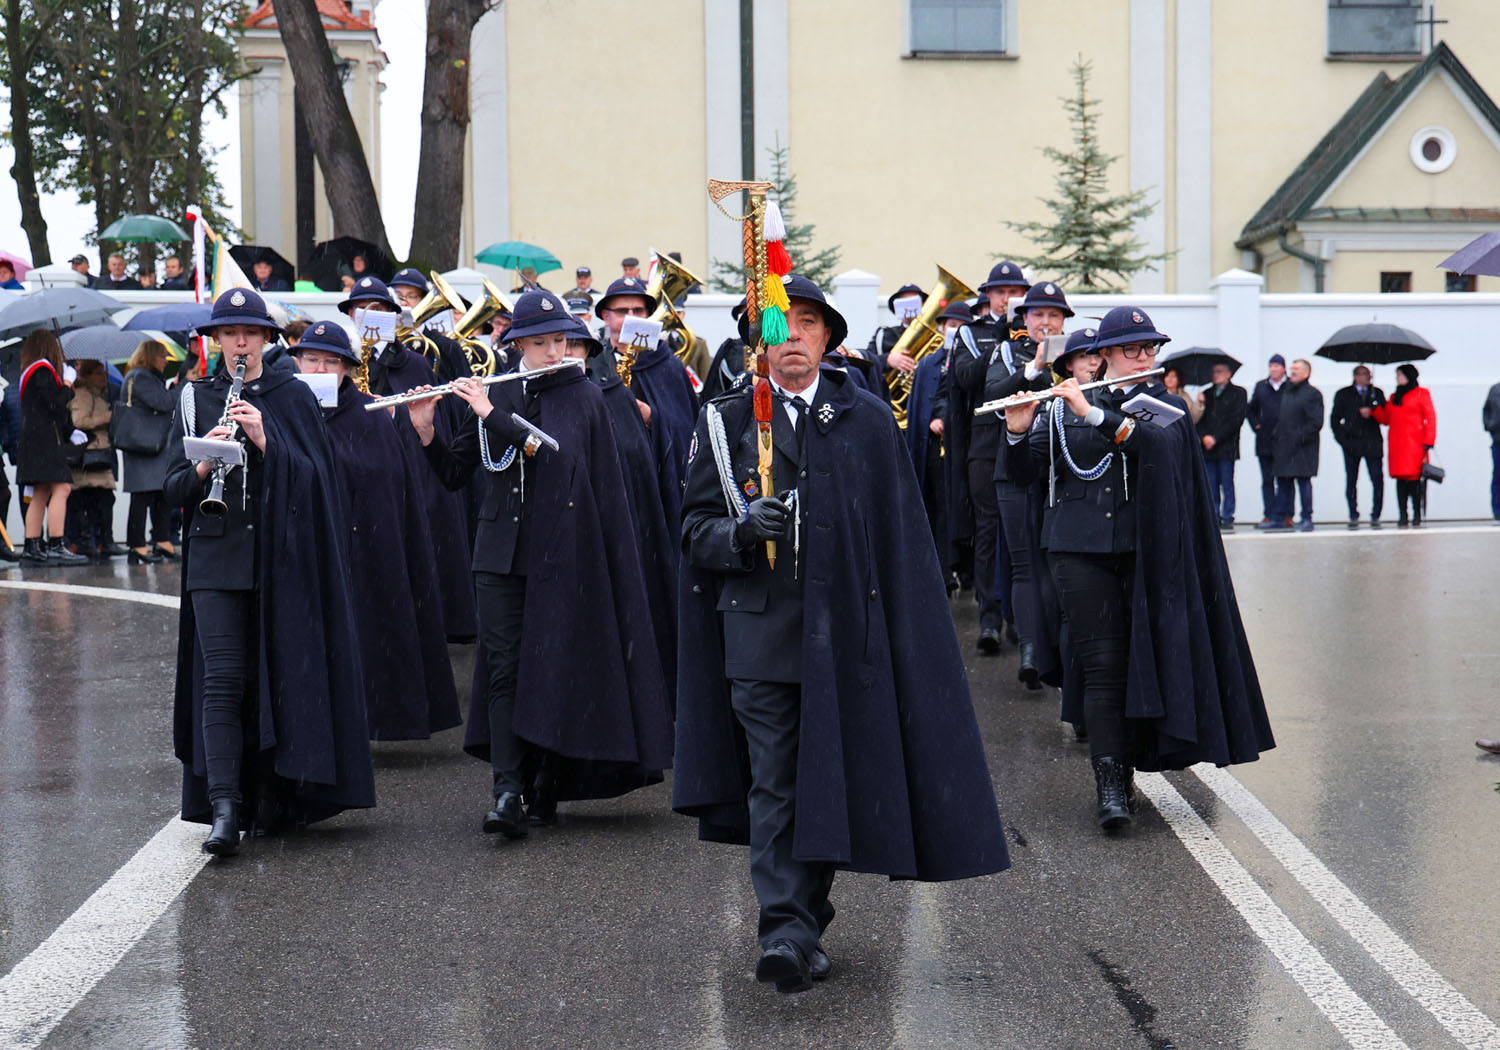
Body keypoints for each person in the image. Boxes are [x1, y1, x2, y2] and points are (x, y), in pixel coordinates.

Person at [674, 275, 1008, 993]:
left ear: (828, 336)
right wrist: (740, 532)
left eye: (807, 322)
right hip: (760, 634)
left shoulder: (865, 419)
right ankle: (783, 929)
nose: (792, 335)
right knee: (775, 781)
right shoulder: (724, 420)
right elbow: (693, 530)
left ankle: (806, 917)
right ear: (757, 339)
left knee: (827, 776)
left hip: (847, 632)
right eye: (778, 323)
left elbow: (897, 535)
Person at [407, 289, 673, 835]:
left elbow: (556, 456)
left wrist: (489, 414)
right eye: (541, 343)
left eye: (560, 341)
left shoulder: (583, 395)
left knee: (552, 668)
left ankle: (546, 781)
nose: (554, 352)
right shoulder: (497, 391)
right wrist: (426, 430)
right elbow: (456, 474)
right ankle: (507, 790)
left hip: (561, 552)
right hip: (499, 554)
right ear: (518, 345)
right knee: (505, 669)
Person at [1004, 305, 1275, 830]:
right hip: (1077, 551)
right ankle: (1110, 784)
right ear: (1103, 354)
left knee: (1143, 662)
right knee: (1103, 668)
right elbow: (1025, 477)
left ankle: (1132, 763)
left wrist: (1095, 415)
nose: (1144, 357)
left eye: (1150, 348)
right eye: (1133, 349)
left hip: (1146, 551)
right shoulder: (1059, 410)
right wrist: (1017, 432)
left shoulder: (1165, 406)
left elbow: (1159, 447)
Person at [162, 288, 375, 855]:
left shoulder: (291, 394)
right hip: (215, 558)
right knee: (222, 679)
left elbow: (318, 479)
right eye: (230, 333)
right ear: (215, 340)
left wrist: (264, 440)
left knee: (277, 676)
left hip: (280, 558)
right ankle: (224, 806)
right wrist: (204, 462)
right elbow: (171, 489)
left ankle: (272, 796)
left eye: (250, 333)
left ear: (264, 339)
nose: (240, 342)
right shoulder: (193, 397)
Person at [291, 321, 461, 741]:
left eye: (331, 362)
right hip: (302, 548)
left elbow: (390, 484)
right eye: (311, 359)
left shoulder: (370, 414)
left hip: (361, 547)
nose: (319, 370)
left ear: (347, 369)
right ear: (297, 362)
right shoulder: (285, 409)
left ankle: (367, 719)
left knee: (366, 637)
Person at [341, 275, 477, 643]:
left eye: (378, 309)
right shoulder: (339, 364)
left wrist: (394, 415)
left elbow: (431, 429)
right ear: (350, 315)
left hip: (403, 478)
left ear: (392, 316)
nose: (368, 315)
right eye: (360, 309)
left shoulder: (415, 364)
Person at [985, 281, 1071, 682]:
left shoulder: (1077, 352)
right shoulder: (1007, 353)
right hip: (1014, 469)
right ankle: (1031, 650)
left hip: (1062, 471)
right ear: (1025, 318)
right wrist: (1035, 367)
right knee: (1024, 565)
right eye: (1038, 314)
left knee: (1056, 562)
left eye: (1054, 315)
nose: (1046, 322)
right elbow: (991, 396)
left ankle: (1059, 646)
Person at [945, 261, 1029, 604]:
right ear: (988, 295)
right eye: (1000, 292)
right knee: (988, 527)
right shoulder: (972, 333)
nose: (1006, 299)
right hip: (985, 442)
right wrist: (999, 345)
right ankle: (989, 611)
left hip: (1027, 437)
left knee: (1023, 527)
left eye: (1014, 292)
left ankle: (1017, 610)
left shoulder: (1034, 331)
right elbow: (964, 378)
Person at [596, 275, 699, 527]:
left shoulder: (669, 364)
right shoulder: (593, 362)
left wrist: (653, 417)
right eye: (622, 311)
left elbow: (689, 428)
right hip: (604, 477)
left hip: (654, 481)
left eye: (638, 310)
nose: (632, 316)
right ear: (606, 316)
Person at [16, 331, 88, 565]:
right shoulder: (42, 370)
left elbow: (46, 408)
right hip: (44, 443)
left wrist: (70, 431)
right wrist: (67, 383)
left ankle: (32, 546)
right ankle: (56, 544)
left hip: (34, 441)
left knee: (41, 492)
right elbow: (55, 404)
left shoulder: (32, 371)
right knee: (62, 488)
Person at [119, 340, 178, 564]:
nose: (166, 361)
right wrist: (182, 386)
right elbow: (163, 403)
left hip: (150, 444)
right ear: (152, 357)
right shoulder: (141, 377)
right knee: (142, 496)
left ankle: (162, 540)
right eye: (163, 356)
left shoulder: (144, 377)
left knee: (161, 493)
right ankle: (137, 545)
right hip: (143, 444)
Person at [64, 360, 123, 559]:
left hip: (99, 452)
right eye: (98, 373)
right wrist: (105, 418)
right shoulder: (82, 394)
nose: (103, 376)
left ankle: (100, 541)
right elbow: (79, 421)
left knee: (101, 500)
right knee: (96, 500)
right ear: (87, 376)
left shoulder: (98, 394)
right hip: (90, 454)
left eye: (103, 372)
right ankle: (95, 541)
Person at [1372, 363, 1437, 528]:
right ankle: (1403, 515)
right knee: (1400, 480)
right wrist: (1375, 408)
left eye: (1399, 375)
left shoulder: (1421, 394)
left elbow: (1430, 418)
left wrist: (1429, 441)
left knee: (1414, 480)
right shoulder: (1394, 397)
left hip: (1414, 444)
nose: (1397, 378)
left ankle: (1416, 515)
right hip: (1397, 444)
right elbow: (1386, 419)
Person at [1329, 365, 1386, 529]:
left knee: (1377, 479)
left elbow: (1385, 414)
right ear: (1356, 376)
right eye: (1363, 374)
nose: (1367, 377)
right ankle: (1353, 514)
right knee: (1351, 479)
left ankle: (1376, 514)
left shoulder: (1376, 393)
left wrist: (1372, 411)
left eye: (1368, 374)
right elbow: (1335, 419)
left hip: (1372, 442)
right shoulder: (1344, 394)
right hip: (1352, 443)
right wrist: (1343, 440)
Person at [1271, 358, 1323, 532]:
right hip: (1283, 446)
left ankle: (1307, 518)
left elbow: (1316, 422)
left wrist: (1298, 437)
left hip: (1303, 448)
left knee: (1303, 482)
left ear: (1306, 373)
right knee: (1283, 483)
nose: (1292, 372)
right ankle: (1280, 517)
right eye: (1292, 368)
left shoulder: (1312, 394)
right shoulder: (1286, 391)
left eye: (1297, 369)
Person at [1196, 361, 1248, 531]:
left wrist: (1216, 438)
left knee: (1227, 483)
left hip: (1226, 446)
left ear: (1228, 374)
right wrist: (1204, 436)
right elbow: (1198, 421)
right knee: (1210, 484)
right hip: (1208, 448)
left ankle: (1227, 516)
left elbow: (1236, 420)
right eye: (1214, 371)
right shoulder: (1207, 394)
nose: (1215, 374)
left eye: (1219, 371)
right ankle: (1214, 516)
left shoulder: (1238, 393)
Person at [1247, 354, 1288, 526]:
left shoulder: (1290, 386)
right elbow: (1251, 409)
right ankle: (1269, 515)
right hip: (1265, 441)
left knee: (1285, 480)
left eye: (1276, 366)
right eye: (1271, 366)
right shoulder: (1261, 386)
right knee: (1267, 481)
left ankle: (1286, 515)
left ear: (1283, 368)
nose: (1273, 369)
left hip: (1285, 441)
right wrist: (1257, 426)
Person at [861, 282, 924, 374]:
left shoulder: (937, 334)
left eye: (914, 302)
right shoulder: (883, 334)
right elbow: (867, 361)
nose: (909, 306)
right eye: (904, 302)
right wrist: (887, 359)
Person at [1485, 378, 1500, 523]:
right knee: (1498, 477)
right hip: (1498, 441)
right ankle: (1498, 512)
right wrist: (1490, 426)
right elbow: (1486, 410)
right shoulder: (1495, 390)